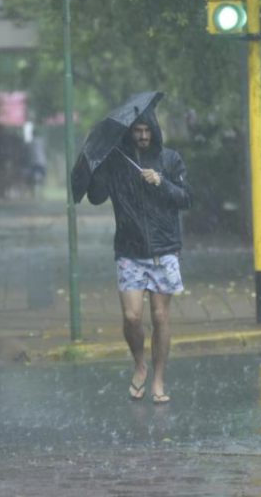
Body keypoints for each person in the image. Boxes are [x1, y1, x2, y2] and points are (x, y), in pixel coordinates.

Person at [87, 105, 191, 404]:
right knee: (132, 317)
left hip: (164, 249)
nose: (143, 136)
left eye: (147, 131)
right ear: (129, 133)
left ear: (154, 131)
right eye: (137, 131)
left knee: (160, 316)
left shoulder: (170, 159)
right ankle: (139, 364)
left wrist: (162, 182)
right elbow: (95, 197)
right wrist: (98, 169)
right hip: (130, 251)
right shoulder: (118, 162)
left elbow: (187, 198)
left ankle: (159, 378)